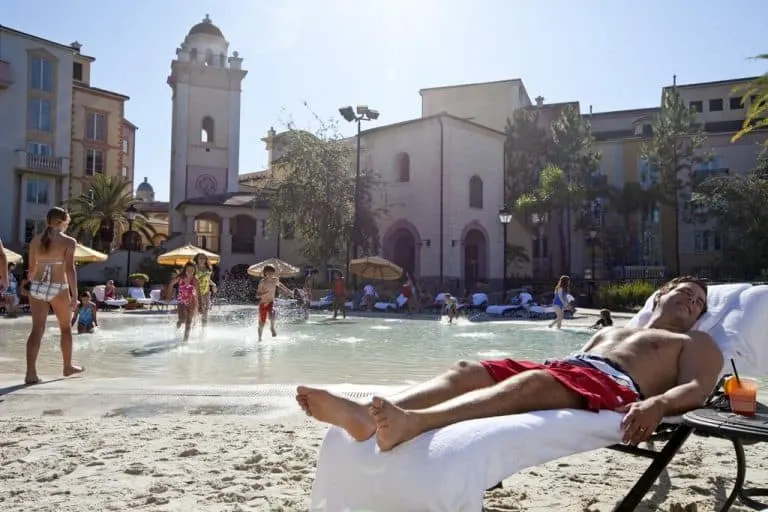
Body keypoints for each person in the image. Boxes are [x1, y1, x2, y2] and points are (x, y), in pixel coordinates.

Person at [296, 276, 723, 452]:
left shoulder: (694, 341)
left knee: (532, 384)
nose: (692, 300)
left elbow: (697, 389)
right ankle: (370, 415)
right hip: (571, 366)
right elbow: (575, 362)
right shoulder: (621, 328)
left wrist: (657, 406)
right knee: (468, 369)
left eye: (700, 302)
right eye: (686, 291)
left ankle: (414, 421)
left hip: (615, 388)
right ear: (662, 293)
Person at [25, 207, 84, 384]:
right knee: (65, 329)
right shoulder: (68, 241)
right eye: (67, 223)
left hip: (37, 287)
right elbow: (69, 269)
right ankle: (67, 366)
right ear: (62, 222)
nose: (67, 226)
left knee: (37, 329)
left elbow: (32, 269)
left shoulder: (35, 241)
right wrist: (75, 295)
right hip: (58, 287)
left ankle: (30, 373)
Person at [257, 265, 292, 341]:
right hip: (263, 304)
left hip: (271, 302)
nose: (271, 274)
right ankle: (259, 339)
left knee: (273, 314)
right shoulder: (262, 282)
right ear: (265, 273)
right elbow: (257, 295)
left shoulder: (275, 280)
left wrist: (288, 291)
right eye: (269, 273)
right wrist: (263, 293)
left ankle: (272, 327)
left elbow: (281, 286)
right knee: (261, 323)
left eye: (272, 273)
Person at [169, 262, 198, 341]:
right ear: (185, 269)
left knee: (189, 322)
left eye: (192, 270)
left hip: (192, 302)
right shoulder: (181, 277)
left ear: (195, 270)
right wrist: (170, 294)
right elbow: (171, 284)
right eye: (188, 269)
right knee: (182, 320)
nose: (190, 271)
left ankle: (185, 341)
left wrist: (199, 305)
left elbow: (198, 293)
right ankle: (178, 325)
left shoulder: (195, 279)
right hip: (181, 302)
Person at [193, 253, 217, 327]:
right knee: (196, 311)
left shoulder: (208, 268)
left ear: (206, 259)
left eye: (204, 258)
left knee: (205, 311)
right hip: (196, 293)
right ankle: (193, 326)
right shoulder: (194, 268)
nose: (202, 260)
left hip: (206, 293)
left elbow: (208, 279)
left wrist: (213, 285)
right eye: (200, 258)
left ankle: (204, 330)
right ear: (197, 259)